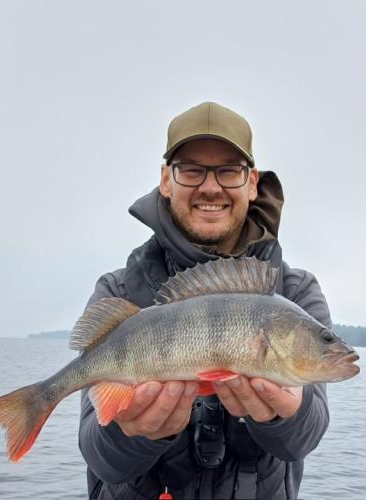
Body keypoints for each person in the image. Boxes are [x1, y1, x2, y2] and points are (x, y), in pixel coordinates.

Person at [79, 101, 333, 499]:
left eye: (229, 171)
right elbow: (100, 456)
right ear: (166, 180)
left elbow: (304, 437)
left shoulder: (295, 293)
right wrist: (138, 435)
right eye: (191, 170)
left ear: (252, 182)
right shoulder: (119, 291)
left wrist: (285, 417)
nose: (210, 187)